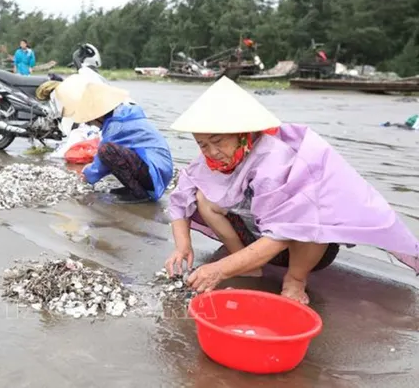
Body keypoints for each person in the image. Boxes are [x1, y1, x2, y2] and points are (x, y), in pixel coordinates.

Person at [164, 77, 419, 304]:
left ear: (243, 134)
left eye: (217, 142)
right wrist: (183, 246)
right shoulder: (213, 160)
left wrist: (220, 270)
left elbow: (286, 232)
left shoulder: (276, 157)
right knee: (201, 196)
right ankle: (245, 262)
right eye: (202, 145)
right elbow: (180, 199)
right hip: (259, 236)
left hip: (304, 243)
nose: (210, 152)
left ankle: (295, 280)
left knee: (311, 211)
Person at [55, 75, 174, 203]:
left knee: (107, 151)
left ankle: (138, 194)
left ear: (98, 116)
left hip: (154, 170)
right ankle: (136, 189)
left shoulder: (116, 126)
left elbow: (103, 160)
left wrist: (87, 175)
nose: (89, 124)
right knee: (107, 151)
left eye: (89, 120)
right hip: (160, 169)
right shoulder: (124, 114)